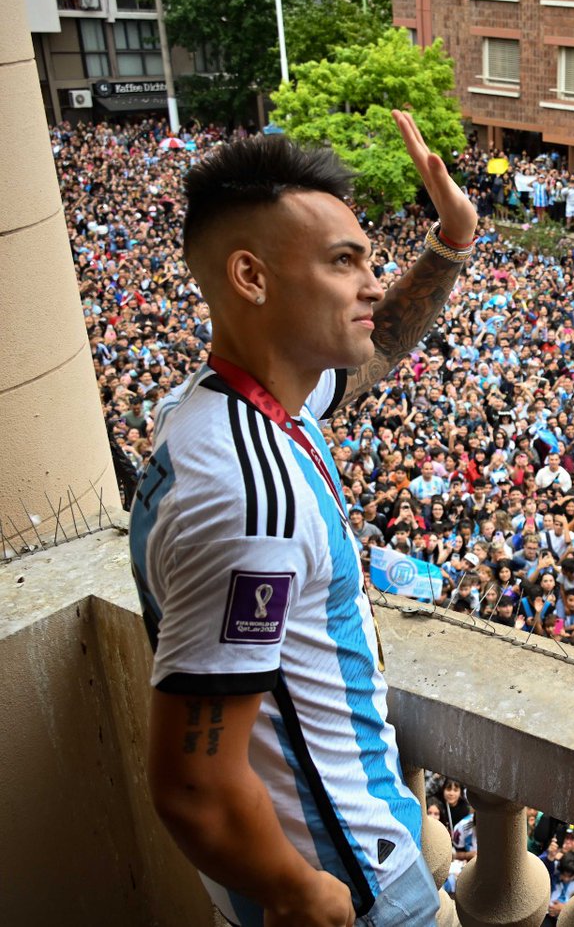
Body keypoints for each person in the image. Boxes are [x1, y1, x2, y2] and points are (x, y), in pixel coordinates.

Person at [130, 113, 477, 926]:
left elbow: (378, 342)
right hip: (343, 872)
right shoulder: (251, 497)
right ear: (251, 276)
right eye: (343, 260)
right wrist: (299, 889)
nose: (369, 283)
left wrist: (452, 244)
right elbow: (192, 784)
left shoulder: (216, 410)